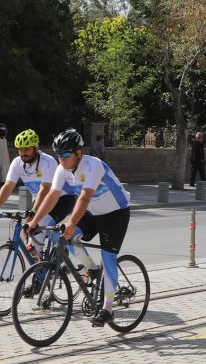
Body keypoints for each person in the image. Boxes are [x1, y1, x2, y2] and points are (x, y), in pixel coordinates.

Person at [25, 129, 131, 327]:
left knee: (108, 257)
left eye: (65, 155)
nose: (61, 159)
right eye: (58, 155)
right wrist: (34, 222)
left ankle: (107, 308)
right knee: (62, 237)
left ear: (78, 153)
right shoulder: (62, 169)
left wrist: (72, 222)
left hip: (116, 214)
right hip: (93, 213)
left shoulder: (94, 165)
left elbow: (84, 197)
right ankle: (91, 268)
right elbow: (52, 196)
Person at [0, 130, 58, 248]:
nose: (23, 153)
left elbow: (45, 190)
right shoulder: (17, 163)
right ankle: (40, 265)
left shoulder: (48, 162)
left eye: (27, 149)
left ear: (36, 148)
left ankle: (64, 249)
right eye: (20, 149)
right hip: (40, 201)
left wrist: (33, 212)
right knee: (31, 240)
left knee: (36, 228)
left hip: (59, 200)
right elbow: (8, 186)